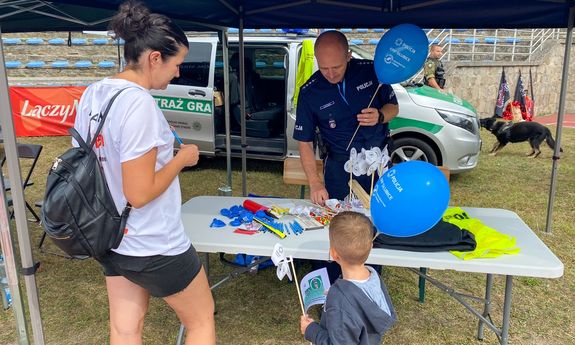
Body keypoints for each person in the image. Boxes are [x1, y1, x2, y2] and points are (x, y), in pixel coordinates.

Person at [73, 2, 215, 344]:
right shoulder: (139, 104)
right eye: (177, 64)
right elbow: (139, 193)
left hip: (108, 235)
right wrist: (181, 160)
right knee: (201, 319)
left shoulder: (94, 93)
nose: (178, 73)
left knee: (125, 328)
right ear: (154, 58)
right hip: (151, 241)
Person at [293, 30, 399, 206]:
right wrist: (315, 183)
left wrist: (380, 116)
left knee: (383, 214)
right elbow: (304, 141)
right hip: (340, 168)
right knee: (344, 222)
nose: (331, 74)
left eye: (336, 67)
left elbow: (393, 107)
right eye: (324, 68)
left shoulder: (371, 71)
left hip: (378, 161)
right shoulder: (309, 92)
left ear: (348, 56)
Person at [300, 212, 397, 344]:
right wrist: (340, 292)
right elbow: (361, 303)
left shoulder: (339, 301)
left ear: (334, 254)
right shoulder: (374, 277)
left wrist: (311, 330)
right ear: (371, 247)